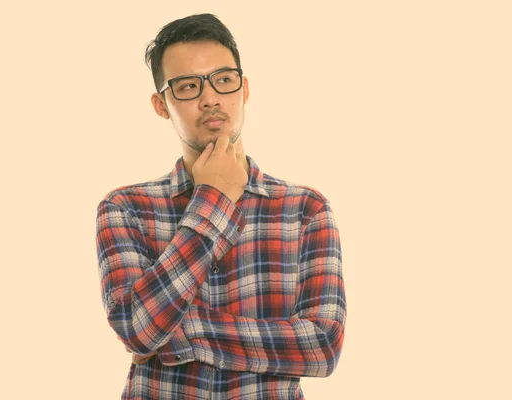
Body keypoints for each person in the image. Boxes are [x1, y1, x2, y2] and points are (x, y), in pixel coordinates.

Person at [95, 13, 347, 400]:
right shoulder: (126, 208)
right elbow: (137, 328)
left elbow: (322, 346)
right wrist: (215, 199)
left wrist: (176, 335)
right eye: (188, 86)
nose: (210, 98)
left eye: (223, 80)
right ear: (161, 105)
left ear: (244, 89)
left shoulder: (305, 210)